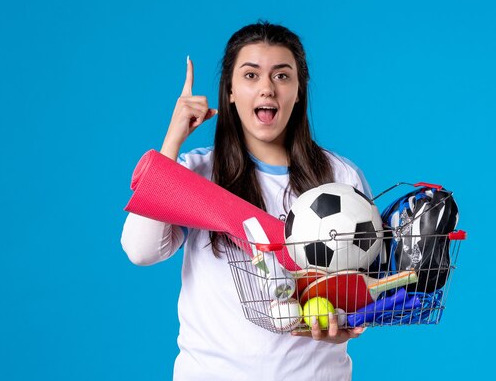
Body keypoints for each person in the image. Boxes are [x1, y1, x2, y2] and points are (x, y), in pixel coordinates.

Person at [121, 22, 370, 380]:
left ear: (299, 90)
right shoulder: (195, 172)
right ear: (231, 91)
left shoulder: (339, 178)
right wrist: (171, 143)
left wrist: (349, 324)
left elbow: (363, 286)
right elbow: (140, 250)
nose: (267, 88)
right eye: (251, 75)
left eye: (282, 76)